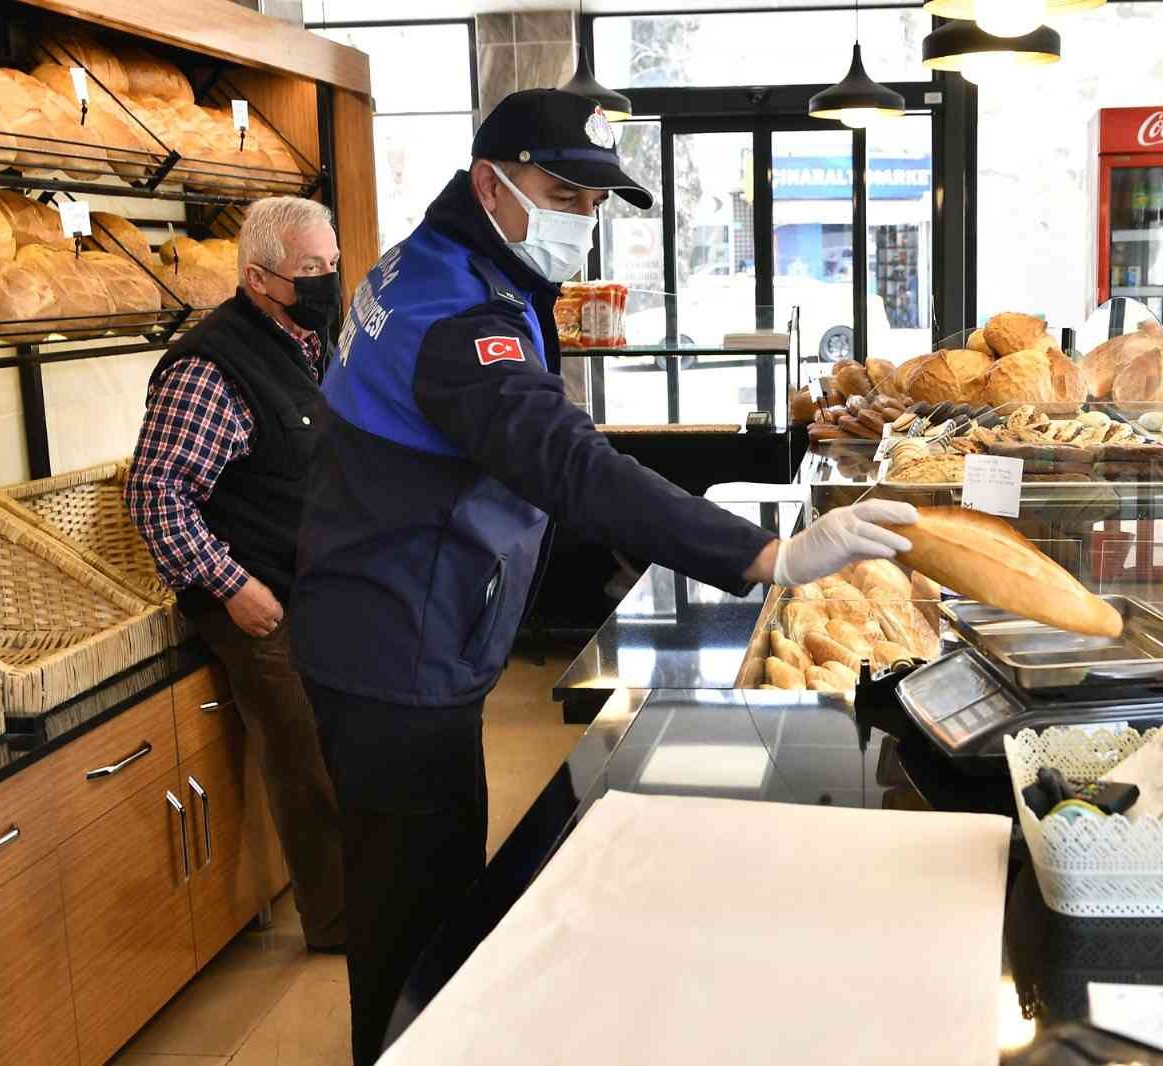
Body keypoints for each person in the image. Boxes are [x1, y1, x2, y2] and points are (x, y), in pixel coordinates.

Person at [289, 88, 916, 1066]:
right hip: (394, 651)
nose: (582, 221)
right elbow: (568, 463)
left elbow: (517, 456)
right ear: (492, 184)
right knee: (416, 919)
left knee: (425, 891)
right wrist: (765, 555)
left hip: (396, 616)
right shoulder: (456, 314)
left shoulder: (448, 259)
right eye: (563, 194)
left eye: (595, 205)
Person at [126, 196, 346, 952]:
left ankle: (365, 894)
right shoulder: (209, 367)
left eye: (332, 265)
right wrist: (231, 586)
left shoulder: (307, 340)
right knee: (305, 759)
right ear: (258, 277)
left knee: (348, 740)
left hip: (311, 582)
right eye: (310, 270)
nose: (326, 281)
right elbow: (156, 492)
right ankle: (342, 925)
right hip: (253, 598)